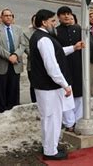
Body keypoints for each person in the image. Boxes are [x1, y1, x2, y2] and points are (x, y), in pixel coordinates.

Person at [29, 9, 77, 161]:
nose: (54, 24)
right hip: (48, 87)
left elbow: (56, 52)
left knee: (49, 118)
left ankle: (49, 145)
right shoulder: (43, 39)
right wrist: (64, 84)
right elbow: (51, 65)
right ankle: (50, 151)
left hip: (46, 86)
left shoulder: (42, 37)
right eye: (52, 21)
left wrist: (73, 48)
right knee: (52, 118)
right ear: (44, 22)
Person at [0, 8, 28, 112]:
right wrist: (9, 56)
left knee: (14, 87)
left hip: (16, 63)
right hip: (3, 62)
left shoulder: (18, 28)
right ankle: (2, 110)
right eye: (6, 15)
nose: (8, 17)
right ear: (2, 17)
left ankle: (14, 109)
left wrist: (16, 55)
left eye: (10, 15)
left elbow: (23, 44)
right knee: (2, 87)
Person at [56, 6, 85, 131]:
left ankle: (78, 121)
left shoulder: (78, 29)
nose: (66, 16)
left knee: (79, 94)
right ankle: (69, 123)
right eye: (63, 14)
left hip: (78, 65)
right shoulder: (55, 31)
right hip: (63, 66)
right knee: (66, 95)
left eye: (68, 14)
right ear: (59, 17)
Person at [23, 14, 37, 103]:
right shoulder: (27, 34)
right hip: (32, 65)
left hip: (46, 65)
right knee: (34, 86)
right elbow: (28, 50)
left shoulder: (48, 31)